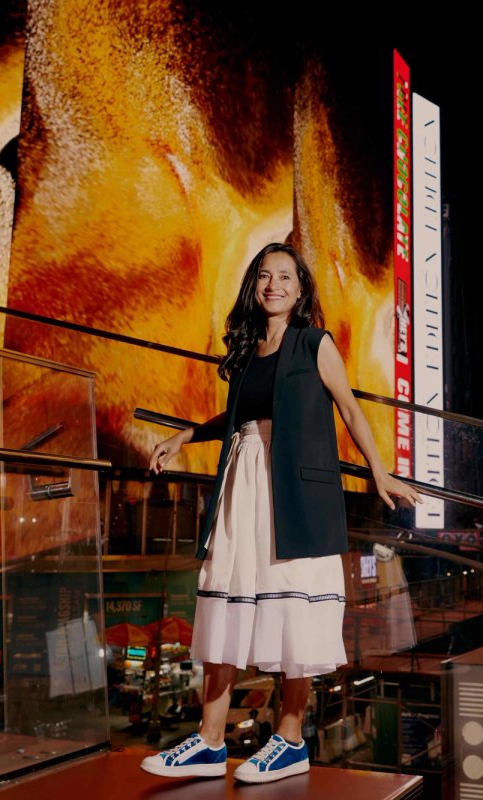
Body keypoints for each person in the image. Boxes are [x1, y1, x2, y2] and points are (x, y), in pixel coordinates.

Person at [139, 242, 421, 783]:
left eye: (285, 276)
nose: (274, 284)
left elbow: (350, 410)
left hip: (297, 493)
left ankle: (290, 741)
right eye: (265, 275)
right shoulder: (246, 352)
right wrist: (185, 436)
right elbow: (239, 415)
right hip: (243, 483)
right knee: (224, 596)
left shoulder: (314, 343)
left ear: (299, 288)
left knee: (296, 610)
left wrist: (379, 471)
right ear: (255, 286)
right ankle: (210, 741)